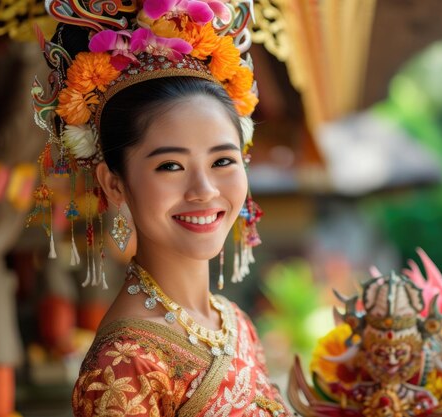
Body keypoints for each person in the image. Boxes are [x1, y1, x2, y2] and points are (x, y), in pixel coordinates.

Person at [31, 1, 291, 415]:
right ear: (114, 184)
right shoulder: (125, 364)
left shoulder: (233, 322)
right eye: (170, 166)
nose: (204, 190)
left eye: (223, 161)